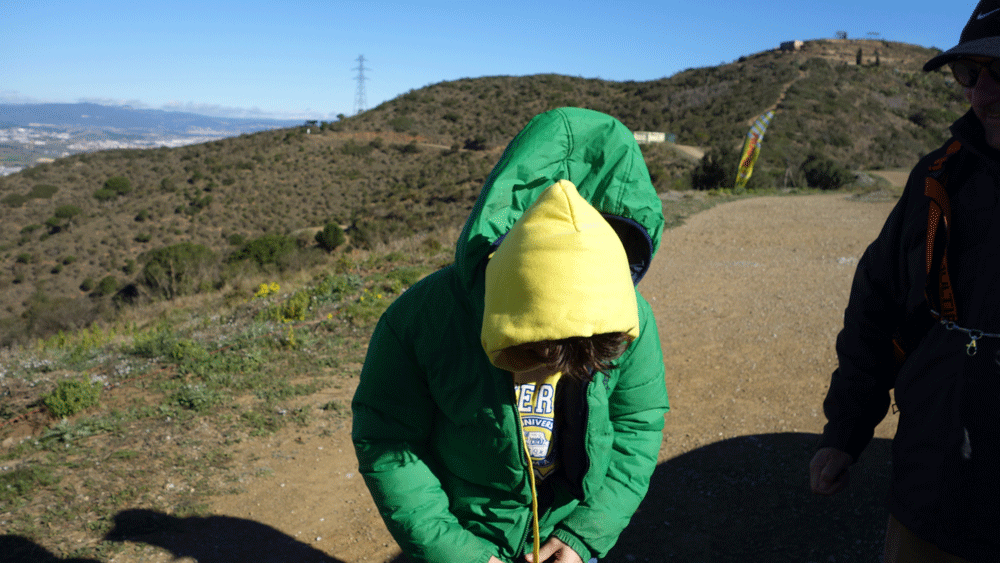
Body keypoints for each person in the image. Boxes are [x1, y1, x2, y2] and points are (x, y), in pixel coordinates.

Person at [351, 107, 669, 563]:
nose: (551, 369)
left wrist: (585, 534)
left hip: (568, 532)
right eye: (536, 351)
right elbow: (387, 439)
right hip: (469, 534)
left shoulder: (631, 318)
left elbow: (638, 424)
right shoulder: (421, 321)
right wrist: (458, 553)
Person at [810, 2, 1000, 561]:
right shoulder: (937, 177)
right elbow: (878, 306)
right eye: (969, 73)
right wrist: (845, 434)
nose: (981, 94)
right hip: (929, 490)